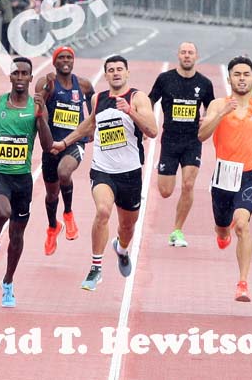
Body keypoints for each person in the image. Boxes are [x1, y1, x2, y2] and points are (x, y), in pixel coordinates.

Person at [51, 55, 158, 291]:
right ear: (106, 75)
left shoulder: (137, 98)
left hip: (129, 174)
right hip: (102, 170)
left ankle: (121, 248)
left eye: (120, 69)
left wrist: (130, 111)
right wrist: (65, 142)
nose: (116, 73)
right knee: (102, 211)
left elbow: (152, 131)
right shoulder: (98, 98)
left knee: (127, 227)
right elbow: (89, 124)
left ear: (127, 73)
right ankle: (95, 268)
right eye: (111, 70)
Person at [198, 56, 252, 302]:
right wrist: (220, 114)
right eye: (237, 74)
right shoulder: (217, 104)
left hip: (248, 176)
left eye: (246, 74)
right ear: (229, 79)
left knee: (243, 225)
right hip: (223, 175)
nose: (242, 78)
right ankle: (222, 234)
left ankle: (242, 283)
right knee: (224, 228)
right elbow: (202, 136)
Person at [0, 57, 53, 307]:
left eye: (24, 74)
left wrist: (42, 117)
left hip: (22, 179)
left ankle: (8, 283)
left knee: (17, 236)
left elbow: (48, 146)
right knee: (2, 211)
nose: (19, 77)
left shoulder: (36, 107)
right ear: (10, 77)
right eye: (15, 73)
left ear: (30, 78)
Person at [148, 42, 215, 247]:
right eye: (184, 52)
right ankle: (161, 167)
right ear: (178, 55)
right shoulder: (165, 79)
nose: (187, 56)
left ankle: (177, 230)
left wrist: (207, 117)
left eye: (190, 53)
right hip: (169, 140)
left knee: (188, 185)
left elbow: (211, 106)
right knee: (166, 192)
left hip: (192, 141)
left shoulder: (204, 83)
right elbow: (149, 100)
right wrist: (148, 121)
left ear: (197, 56)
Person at [36, 46, 94, 255]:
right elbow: (37, 108)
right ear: (54, 61)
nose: (65, 60)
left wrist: (91, 129)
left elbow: (95, 109)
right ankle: (53, 227)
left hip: (73, 143)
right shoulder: (46, 83)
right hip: (51, 145)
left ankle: (68, 214)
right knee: (51, 195)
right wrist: (45, 90)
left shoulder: (84, 85)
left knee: (64, 172)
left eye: (69, 57)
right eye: (61, 57)